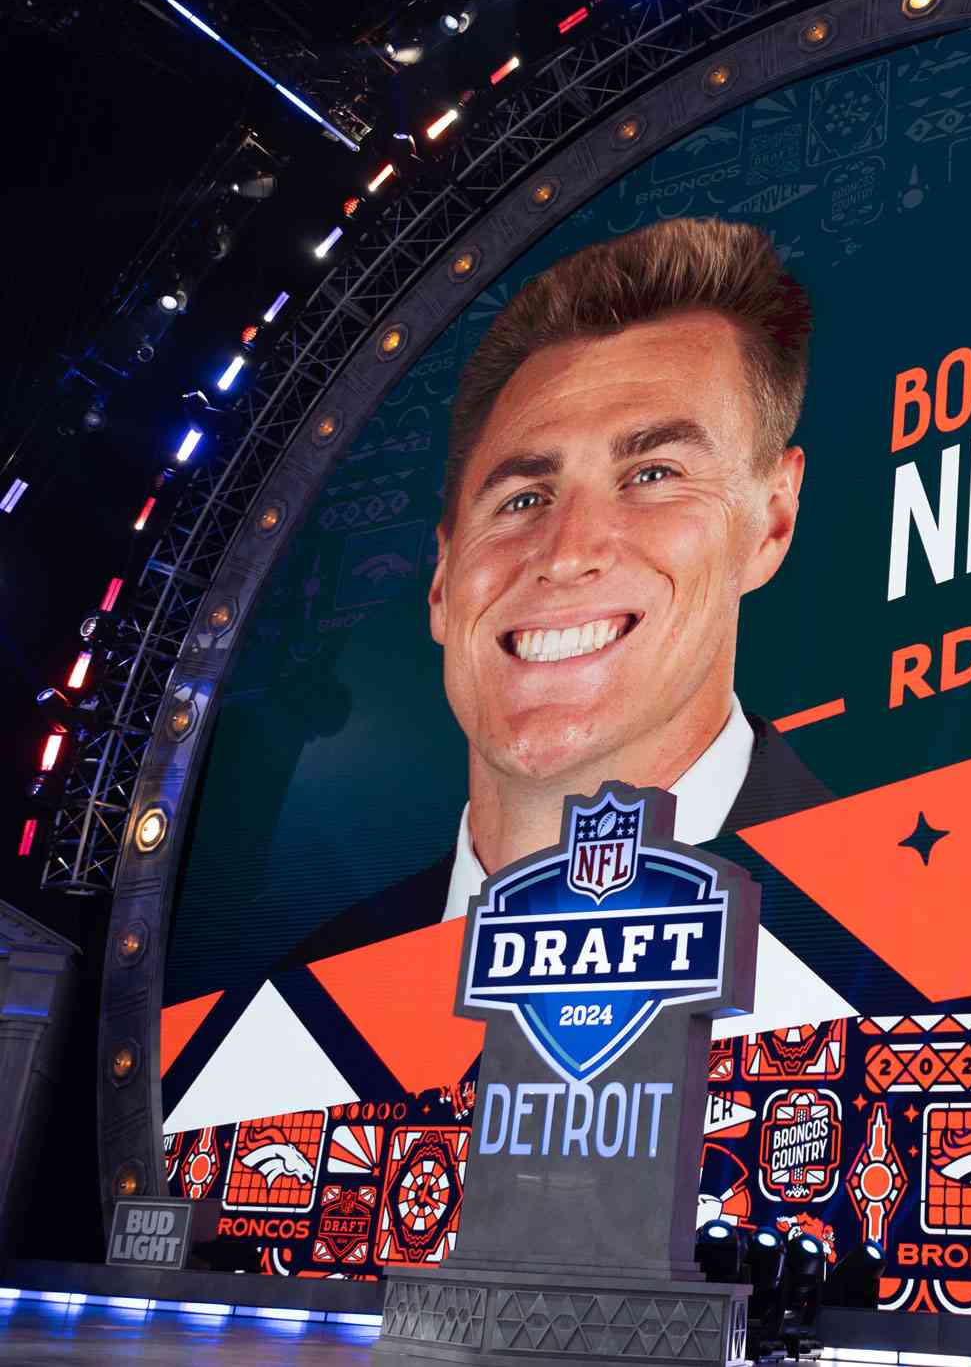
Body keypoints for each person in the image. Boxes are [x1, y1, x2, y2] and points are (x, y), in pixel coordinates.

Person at [282, 216, 916, 1023]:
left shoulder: (926, 936)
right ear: (442, 582)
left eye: (653, 473)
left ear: (774, 520)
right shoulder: (292, 1011)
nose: (567, 550)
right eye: (522, 499)